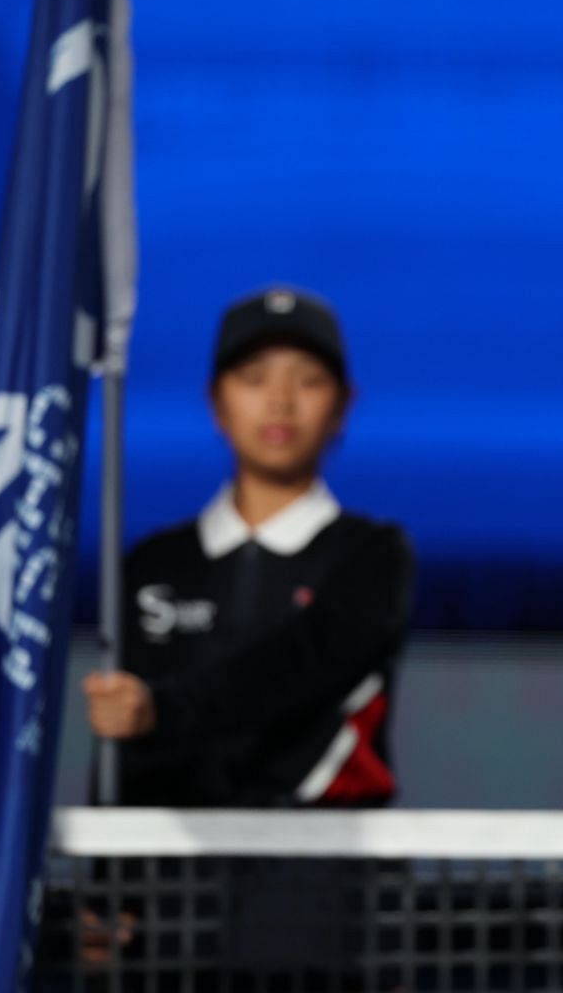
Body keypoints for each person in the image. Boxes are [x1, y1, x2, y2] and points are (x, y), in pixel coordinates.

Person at [80, 286, 413, 971]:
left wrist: (158, 711)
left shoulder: (372, 556)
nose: (281, 403)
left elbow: (297, 670)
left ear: (344, 406)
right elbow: (122, 743)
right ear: (216, 402)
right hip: (167, 888)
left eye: (309, 381)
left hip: (321, 888)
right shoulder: (153, 563)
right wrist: (102, 883)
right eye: (254, 378)